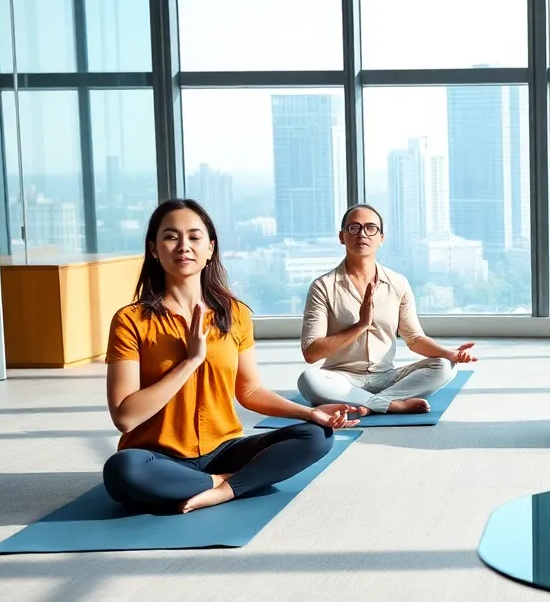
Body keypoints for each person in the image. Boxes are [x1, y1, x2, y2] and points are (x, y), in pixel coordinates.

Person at [103, 199, 364, 514]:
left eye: (194, 237)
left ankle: (221, 489)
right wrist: (191, 361)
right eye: (171, 237)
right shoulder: (131, 320)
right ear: (154, 249)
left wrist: (311, 413)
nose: (183, 246)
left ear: (210, 248)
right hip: (157, 457)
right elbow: (125, 417)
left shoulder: (235, 314)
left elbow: (249, 391)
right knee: (122, 471)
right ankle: (229, 483)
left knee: (317, 436)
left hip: (222, 450)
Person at [297, 204, 476, 416]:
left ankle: (371, 404)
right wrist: (361, 325)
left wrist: (450, 354)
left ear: (381, 238)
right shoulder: (323, 286)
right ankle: (392, 404)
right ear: (341, 236)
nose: (362, 234)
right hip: (341, 378)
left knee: (445, 366)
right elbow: (311, 353)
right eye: (354, 228)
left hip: (387, 377)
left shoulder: (398, 283)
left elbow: (415, 339)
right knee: (308, 380)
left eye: (370, 228)